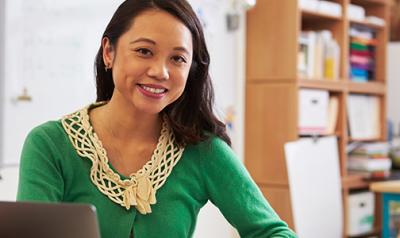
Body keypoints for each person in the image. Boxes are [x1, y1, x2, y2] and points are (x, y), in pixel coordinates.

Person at [17, 0, 297, 237]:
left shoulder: (202, 149)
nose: (161, 72)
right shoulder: (50, 145)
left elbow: (275, 232)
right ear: (108, 52)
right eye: (144, 51)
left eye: (177, 59)